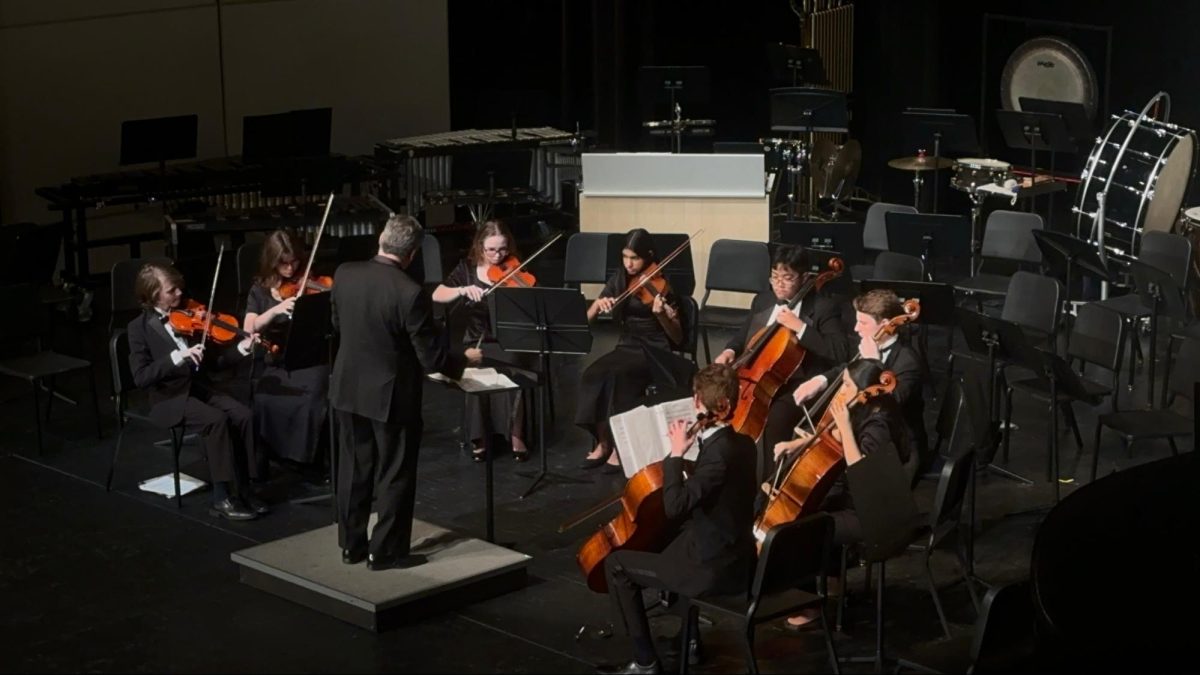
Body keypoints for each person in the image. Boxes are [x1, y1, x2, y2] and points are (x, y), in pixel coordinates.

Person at [329, 214, 481, 570]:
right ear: (412, 253)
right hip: (390, 395)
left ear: (382, 239)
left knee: (353, 468)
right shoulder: (409, 292)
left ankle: (350, 545)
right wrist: (463, 358)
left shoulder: (344, 273)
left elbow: (338, 325)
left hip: (348, 387)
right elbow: (430, 359)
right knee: (394, 473)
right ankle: (385, 552)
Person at [600, 364, 758, 674]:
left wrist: (674, 456)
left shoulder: (717, 455)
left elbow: (675, 505)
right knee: (675, 539)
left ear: (698, 401)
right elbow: (717, 486)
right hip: (739, 557)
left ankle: (645, 662)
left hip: (712, 569)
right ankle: (691, 642)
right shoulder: (745, 444)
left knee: (616, 565)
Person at [770, 358, 915, 629]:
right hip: (866, 502)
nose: (841, 389)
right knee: (818, 504)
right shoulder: (869, 410)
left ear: (864, 390)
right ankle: (833, 579)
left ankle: (810, 603)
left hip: (874, 514)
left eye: (847, 385)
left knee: (804, 528)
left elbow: (862, 473)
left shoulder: (879, 426)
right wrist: (798, 443)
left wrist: (846, 426)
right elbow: (833, 441)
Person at [126, 262, 264, 521]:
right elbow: (141, 377)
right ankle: (221, 497)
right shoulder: (139, 328)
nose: (179, 294)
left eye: (179, 287)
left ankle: (244, 488)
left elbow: (214, 362)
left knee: (244, 415)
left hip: (197, 388)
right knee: (216, 420)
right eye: (171, 291)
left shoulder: (189, 315)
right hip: (168, 399)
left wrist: (242, 349)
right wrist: (176, 357)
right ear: (153, 295)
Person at [712, 244, 848, 473]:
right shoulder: (762, 301)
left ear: (805, 277)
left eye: (787, 278)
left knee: (775, 418)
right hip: (756, 376)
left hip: (798, 383)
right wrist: (730, 351)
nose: (779, 284)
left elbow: (839, 351)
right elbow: (742, 336)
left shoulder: (824, 307)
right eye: (774, 277)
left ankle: (768, 483)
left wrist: (802, 328)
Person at [576, 228, 692, 473]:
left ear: (648, 256)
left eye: (634, 258)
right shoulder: (619, 279)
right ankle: (604, 442)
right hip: (627, 345)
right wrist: (597, 305)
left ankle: (621, 447)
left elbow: (678, 338)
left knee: (619, 377)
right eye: (625, 256)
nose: (628, 263)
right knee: (592, 375)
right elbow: (585, 322)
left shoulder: (663, 284)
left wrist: (662, 316)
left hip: (654, 350)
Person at [790, 288, 928, 478]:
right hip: (864, 428)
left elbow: (893, 404)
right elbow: (849, 368)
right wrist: (820, 380)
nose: (856, 328)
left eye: (863, 322)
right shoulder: (870, 342)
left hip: (896, 445)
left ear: (885, 324)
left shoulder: (908, 361)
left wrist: (875, 363)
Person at [432, 220, 539, 462]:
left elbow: (534, 303)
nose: (498, 255)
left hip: (510, 338)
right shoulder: (466, 269)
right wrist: (461, 290)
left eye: (502, 249)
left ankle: (516, 432)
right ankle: (480, 436)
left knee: (514, 361)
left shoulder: (516, 269)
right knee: (473, 365)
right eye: (491, 249)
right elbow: (437, 294)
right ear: (480, 246)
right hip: (478, 337)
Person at [242, 229, 330, 477]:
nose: (291, 269)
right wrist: (276, 310)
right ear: (272, 262)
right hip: (276, 360)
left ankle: (305, 460)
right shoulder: (259, 291)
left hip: (311, 358)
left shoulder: (312, 284)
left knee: (312, 396)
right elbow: (249, 327)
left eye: (295, 262)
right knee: (267, 399)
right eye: (284, 263)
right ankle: (277, 455)